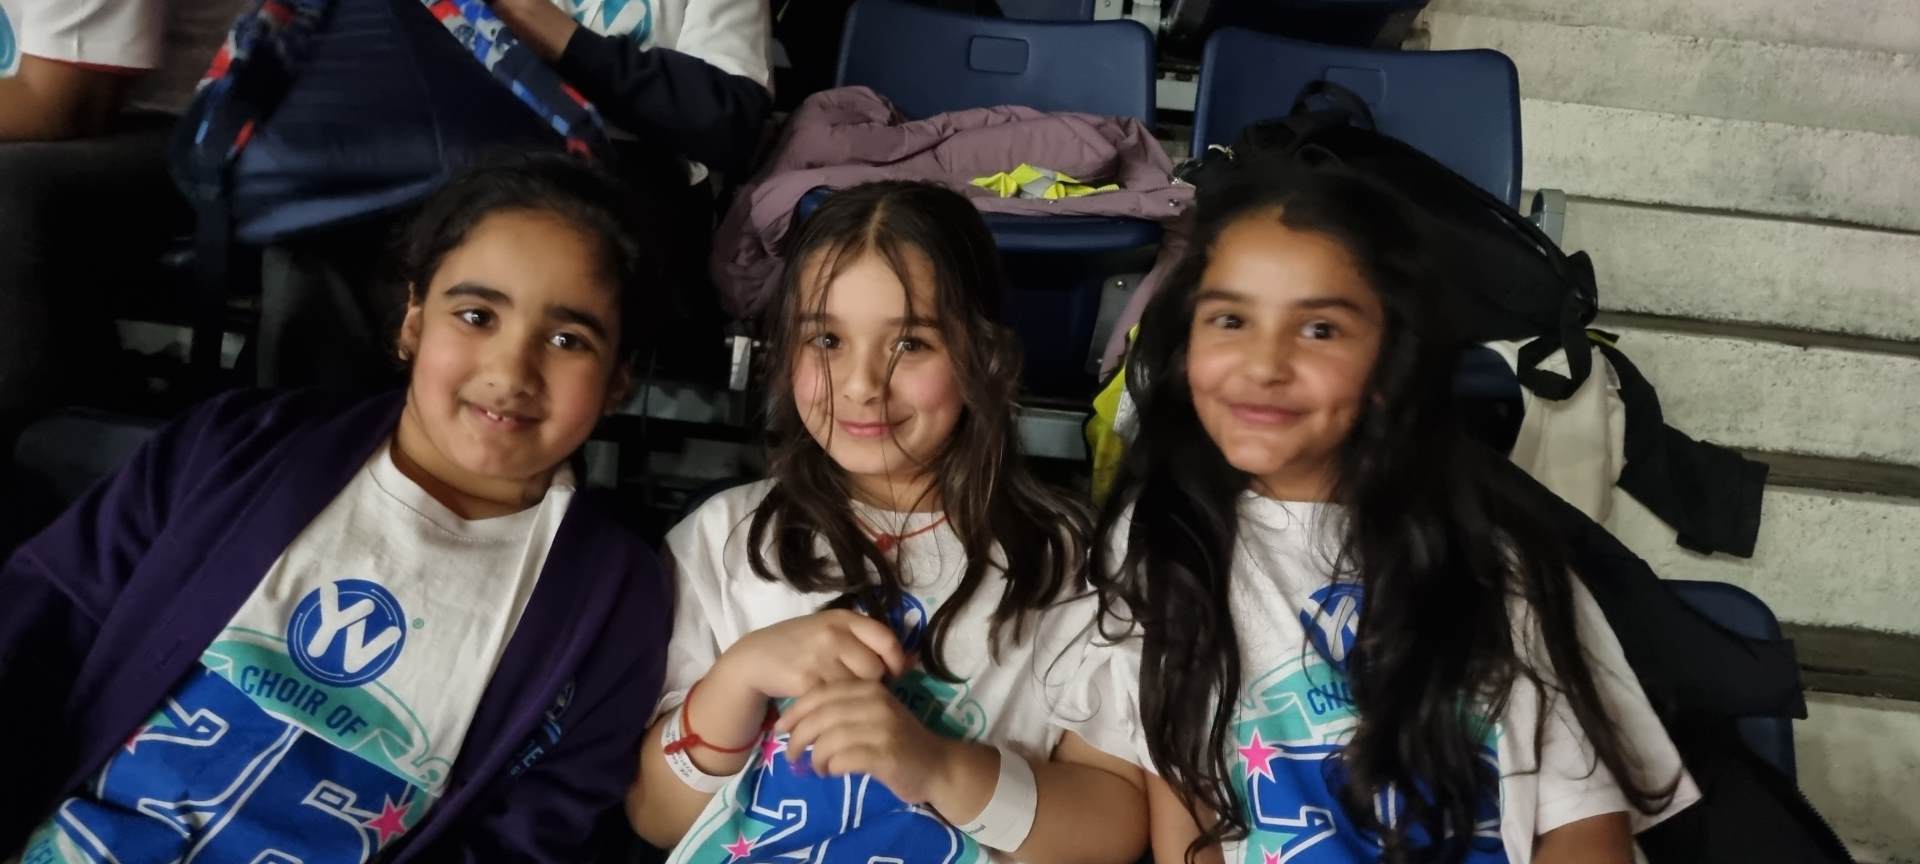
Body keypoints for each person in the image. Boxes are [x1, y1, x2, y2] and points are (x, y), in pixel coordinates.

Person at [1, 153, 672, 862]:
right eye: (476, 316)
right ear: (413, 321)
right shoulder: (236, 448)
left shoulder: (614, 606)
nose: (510, 372)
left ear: (619, 378)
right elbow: (45, 616)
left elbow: (527, 837)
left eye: (568, 340)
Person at [1084, 158, 1701, 864]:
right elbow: (1188, 818)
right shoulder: (1156, 545)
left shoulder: (1496, 561)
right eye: (1231, 319)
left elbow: (1586, 826)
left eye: (1320, 329)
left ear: (1389, 364)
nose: (1264, 364)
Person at [630, 181, 1148, 864]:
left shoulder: (1075, 563)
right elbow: (656, 818)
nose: (861, 383)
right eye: (827, 339)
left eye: (910, 343)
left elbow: (1115, 828)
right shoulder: (720, 538)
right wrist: (737, 678)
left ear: (986, 355)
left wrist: (938, 767)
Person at [0, 0, 245, 439]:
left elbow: (60, 104)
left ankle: (37, 448)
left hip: (187, 130)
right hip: (70, 120)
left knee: (7, 189)